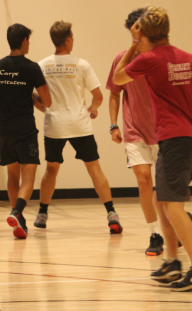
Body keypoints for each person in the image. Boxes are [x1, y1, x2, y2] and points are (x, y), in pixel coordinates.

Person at [113, 5, 192, 292]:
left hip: (174, 139)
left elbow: (117, 79)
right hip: (191, 139)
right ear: (168, 30)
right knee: (161, 200)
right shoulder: (191, 59)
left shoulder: (149, 59)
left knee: (172, 205)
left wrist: (133, 44)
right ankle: (172, 261)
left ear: (144, 32)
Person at [33, 20, 122, 234]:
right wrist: (92, 109)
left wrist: (47, 110)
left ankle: (42, 214)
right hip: (80, 125)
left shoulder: (42, 65)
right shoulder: (81, 64)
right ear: (69, 40)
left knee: (51, 170)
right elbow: (98, 97)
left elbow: (35, 98)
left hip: (54, 126)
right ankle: (111, 214)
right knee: (94, 169)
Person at [0, 23, 52, 239]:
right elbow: (47, 101)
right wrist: (31, 96)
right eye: (29, 39)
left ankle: (17, 222)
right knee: (28, 176)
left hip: (3, 126)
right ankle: (17, 211)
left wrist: (1, 106)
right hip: (24, 127)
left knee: (12, 174)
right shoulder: (31, 68)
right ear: (24, 41)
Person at [106, 8, 164, 255]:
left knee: (165, 189)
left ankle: (174, 225)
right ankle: (155, 234)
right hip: (134, 131)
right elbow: (114, 93)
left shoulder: (163, 57)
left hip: (163, 131)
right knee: (143, 181)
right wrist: (113, 124)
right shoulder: (123, 59)